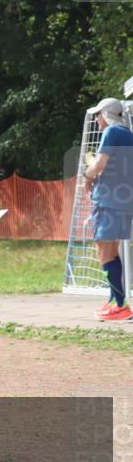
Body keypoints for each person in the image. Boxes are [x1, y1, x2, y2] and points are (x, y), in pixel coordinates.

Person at [83, 98, 133, 321]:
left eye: (98, 114)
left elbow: (99, 164)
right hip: (124, 203)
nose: (96, 119)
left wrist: (87, 175)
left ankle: (120, 304)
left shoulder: (111, 132)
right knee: (112, 251)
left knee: (104, 250)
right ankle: (116, 301)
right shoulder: (129, 135)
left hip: (108, 200)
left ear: (107, 114)